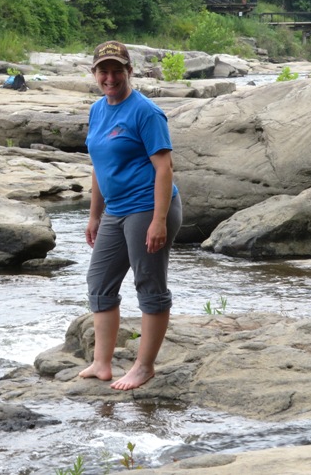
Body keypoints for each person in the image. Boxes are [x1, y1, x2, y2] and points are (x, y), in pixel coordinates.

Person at [79, 40, 182, 391]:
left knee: (148, 284)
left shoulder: (145, 112)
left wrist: (158, 219)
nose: (110, 77)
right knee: (99, 282)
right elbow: (99, 166)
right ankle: (101, 363)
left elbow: (164, 168)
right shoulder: (97, 110)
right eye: (103, 71)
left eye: (116, 71)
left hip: (148, 207)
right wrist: (95, 215)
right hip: (116, 209)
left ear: (129, 72)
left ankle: (144, 366)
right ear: (94, 74)